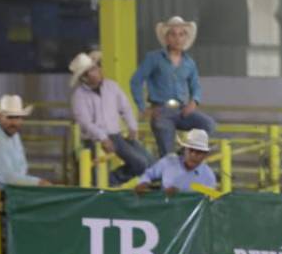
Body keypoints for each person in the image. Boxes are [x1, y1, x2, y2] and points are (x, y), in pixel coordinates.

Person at [130, 15, 217, 157]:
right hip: (161, 112)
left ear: (185, 38)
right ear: (166, 38)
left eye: (181, 34)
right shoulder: (154, 58)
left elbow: (196, 85)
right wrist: (142, 108)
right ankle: (171, 163)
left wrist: (194, 102)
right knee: (167, 153)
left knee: (209, 125)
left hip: (183, 111)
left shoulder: (189, 63)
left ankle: (183, 155)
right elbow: (136, 81)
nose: (178, 38)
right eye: (173, 34)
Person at [70, 50, 151, 184]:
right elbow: (85, 123)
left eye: (97, 67)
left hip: (116, 135)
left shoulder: (112, 86)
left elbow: (125, 108)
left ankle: (111, 182)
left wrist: (132, 126)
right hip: (93, 140)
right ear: (84, 77)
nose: (99, 70)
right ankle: (106, 184)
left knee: (141, 163)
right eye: (94, 69)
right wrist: (103, 138)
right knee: (97, 174)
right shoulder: (79, 96)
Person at [0, 94, 50, 191]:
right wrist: (38, 182)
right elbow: (7, 178)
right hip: (0, 198)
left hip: (12, 194)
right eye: (10, 117)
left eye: (17, 118)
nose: (14, 123)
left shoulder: (13, 136)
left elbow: (22, 166)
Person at [134, 128, 216, 194]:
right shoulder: (168, 162)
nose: (193, 155)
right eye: (191, 150)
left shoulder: (208, 176)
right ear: (184, 150)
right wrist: (144, 182)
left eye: (198, 152)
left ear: (205, 155)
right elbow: (149, 174)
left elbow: (208, 202)